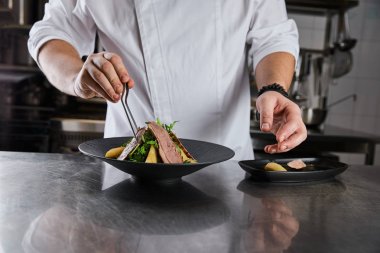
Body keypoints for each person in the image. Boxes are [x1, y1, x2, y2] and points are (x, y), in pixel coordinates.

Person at [28, 0, 307, 161]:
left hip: (221, 167)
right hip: (131, 162)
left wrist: (273, 88)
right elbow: (52, 32)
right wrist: (76, 78)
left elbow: (273, 37)